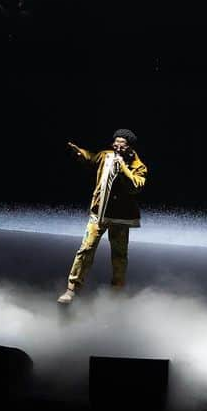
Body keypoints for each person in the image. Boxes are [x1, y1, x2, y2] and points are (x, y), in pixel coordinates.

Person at [57, 129, 148, 303]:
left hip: (121, 218)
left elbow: (136, 186)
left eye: (122, 143)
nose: (117, 145)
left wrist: (122, 168)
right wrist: (80, 153)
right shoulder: (106, 156)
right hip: (99, 213)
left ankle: (117, 292)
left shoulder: (138, 166)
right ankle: (72, 288)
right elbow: (92, 159)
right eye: (116, 142)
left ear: (129, 147)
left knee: (119, 255)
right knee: (86, 249)